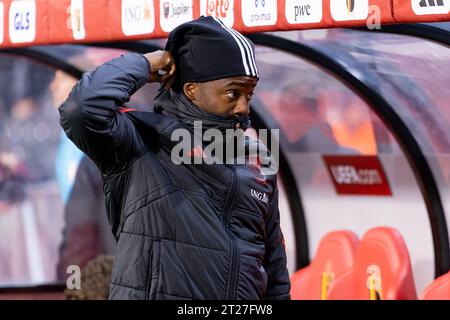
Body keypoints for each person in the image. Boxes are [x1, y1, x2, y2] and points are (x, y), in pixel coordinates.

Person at [59, 16, 290, 300]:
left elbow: (274, 268)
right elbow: (80, 109)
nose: (243, 106)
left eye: (249, 94)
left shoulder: (257, 157)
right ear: (192, 89)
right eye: (233, 92)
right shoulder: (140, 139)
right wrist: (148, 65)